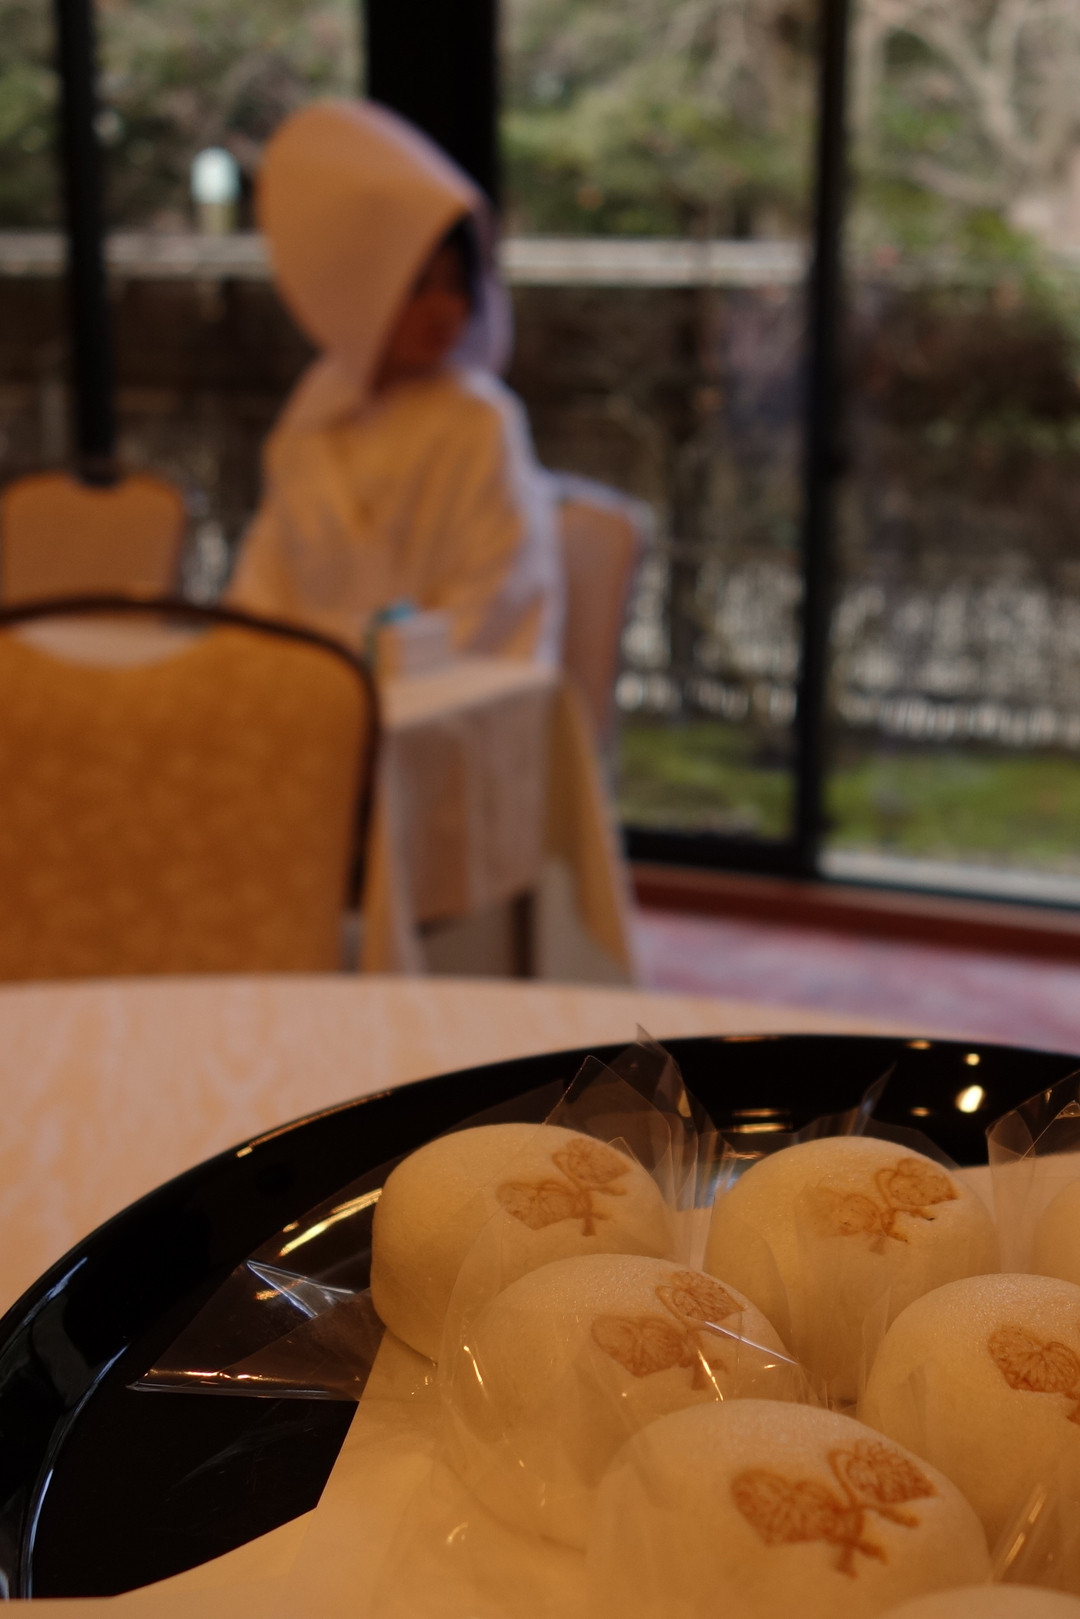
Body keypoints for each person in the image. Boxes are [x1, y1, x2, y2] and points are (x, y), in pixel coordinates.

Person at [227, 100, 563, 664]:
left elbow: (495, 604)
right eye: (419, 284)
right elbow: (264, 589)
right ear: (364, 286)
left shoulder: (479, 421)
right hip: (317, 689)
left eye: (455, 284)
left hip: (439, 696)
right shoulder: (313, 418)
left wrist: (379, 664)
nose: (443, 309)